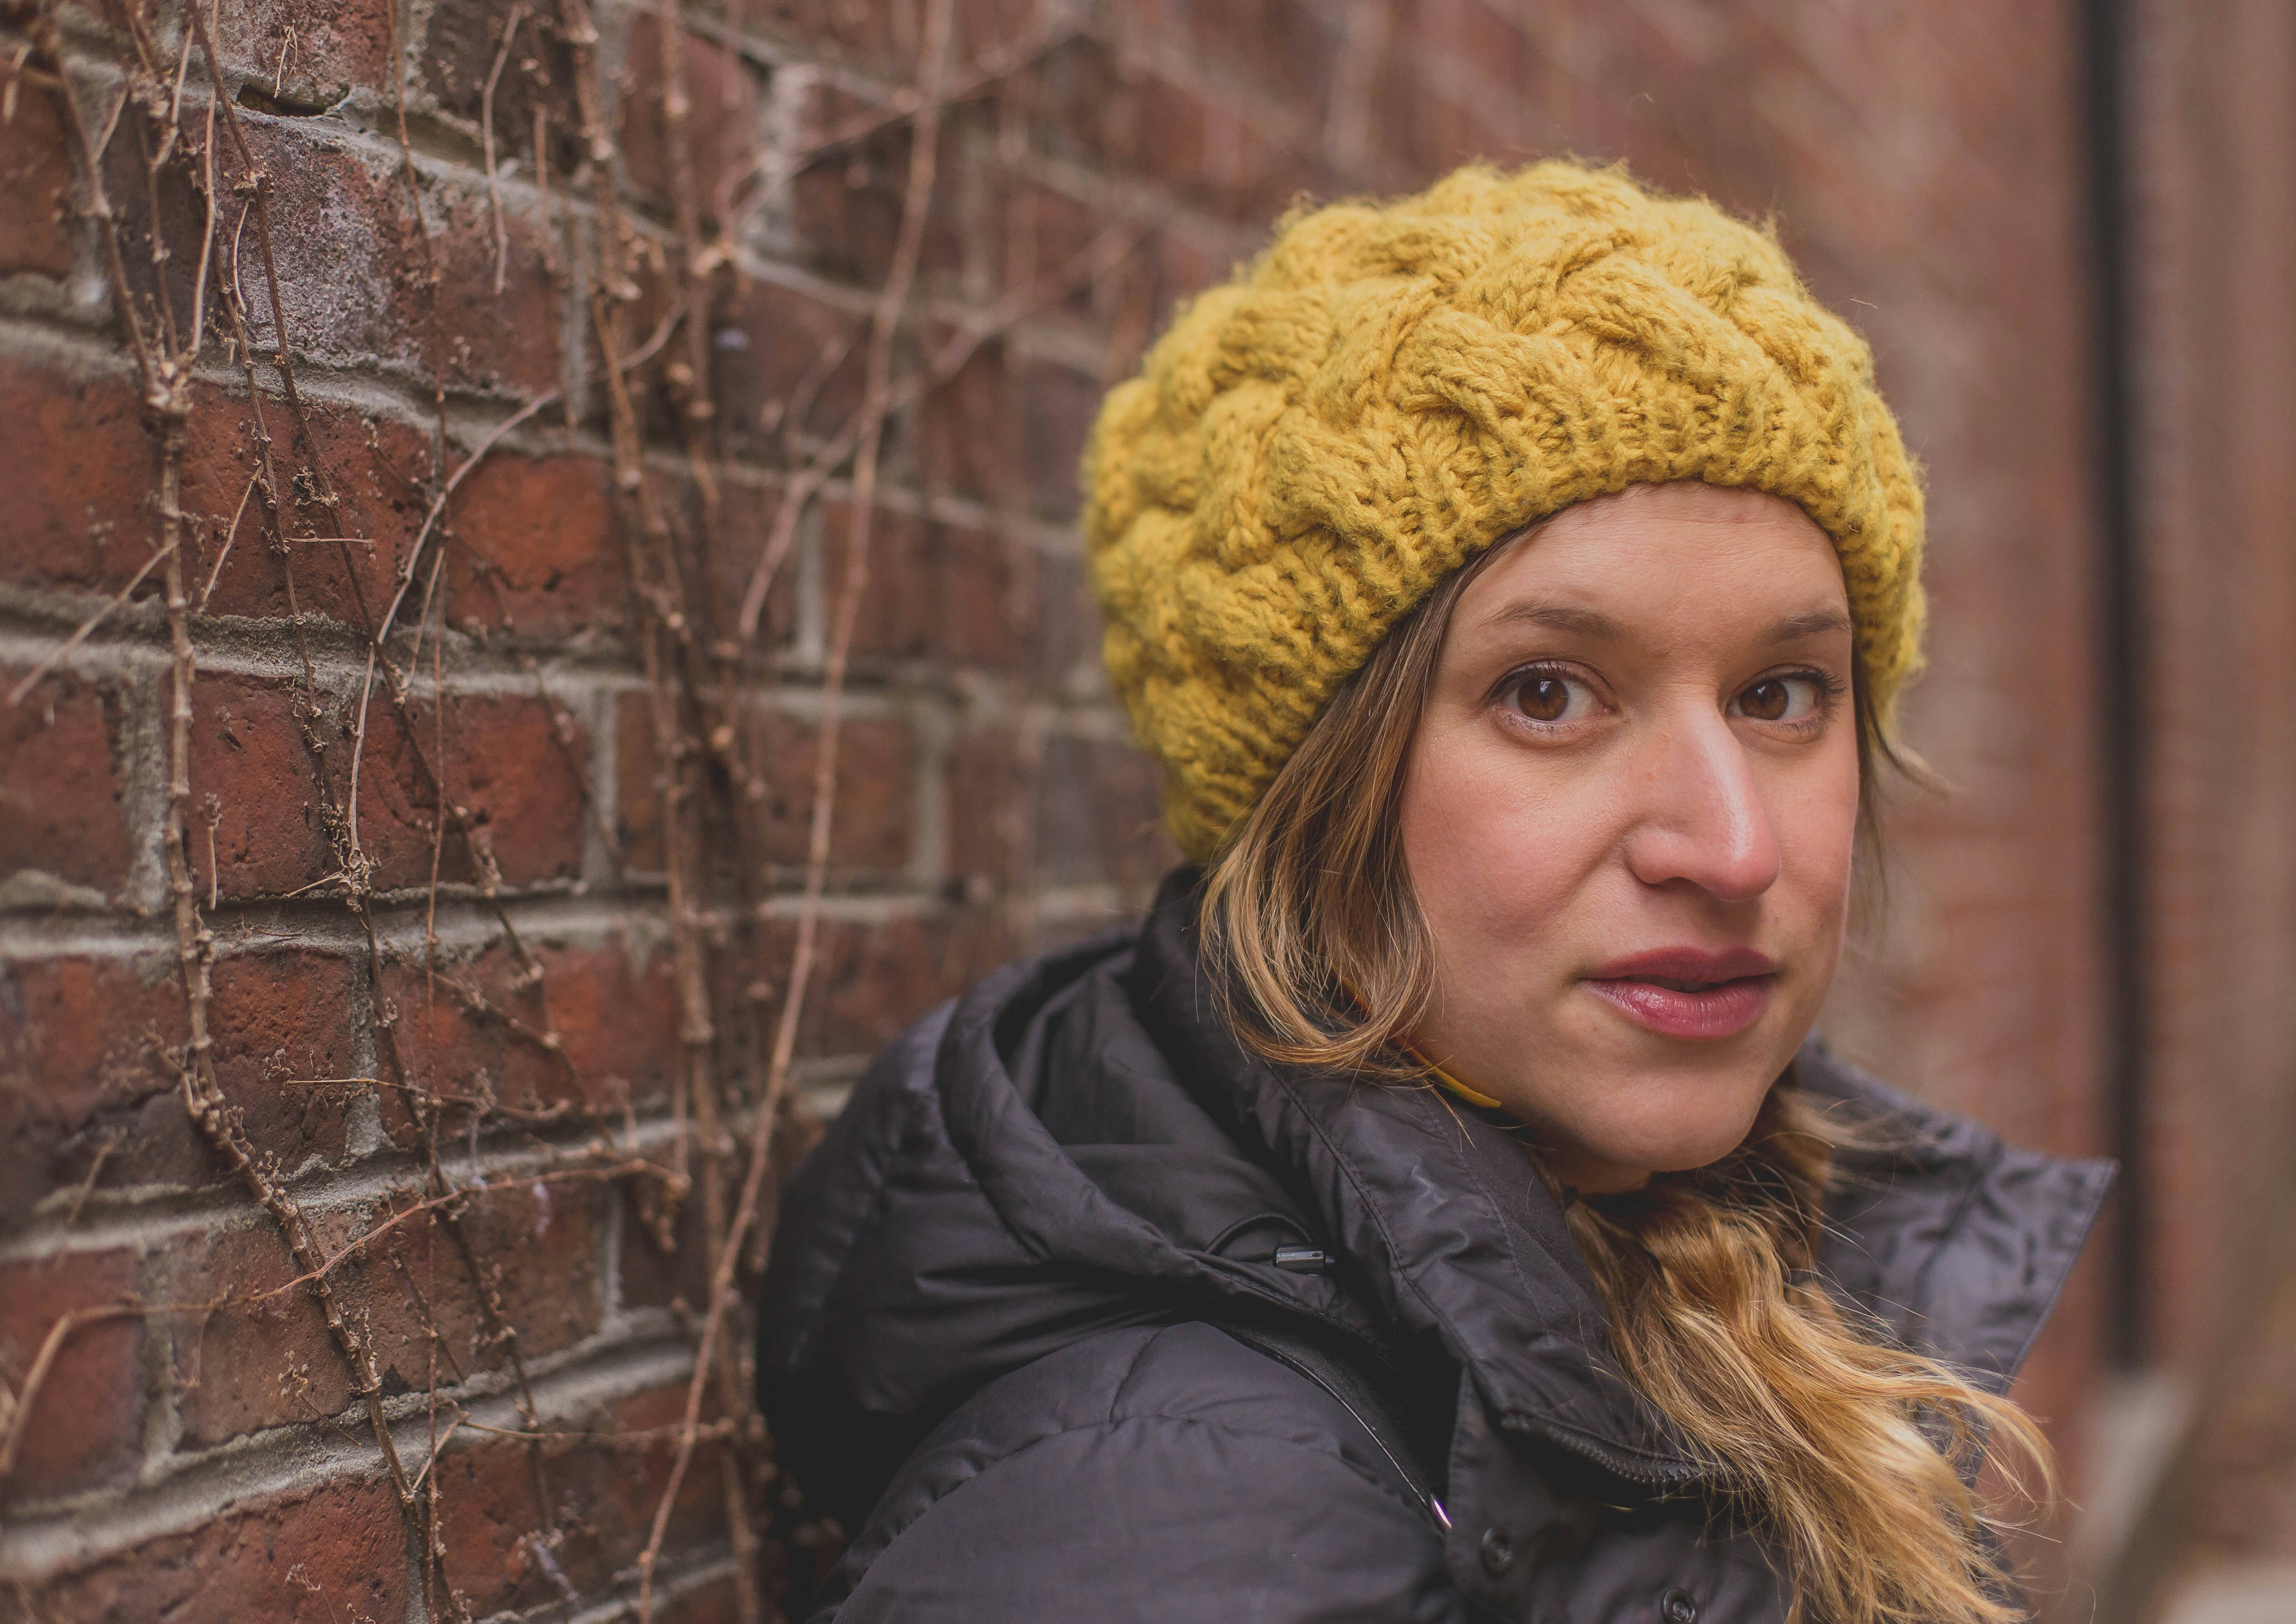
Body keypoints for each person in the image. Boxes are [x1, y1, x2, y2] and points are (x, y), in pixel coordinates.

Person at [757, 161, 2112, 1624]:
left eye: (1781, 692)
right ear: (1312, 792)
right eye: (1548, 694)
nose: (1733, 848)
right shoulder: (1176, 1532)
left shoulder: (1706, 1267)